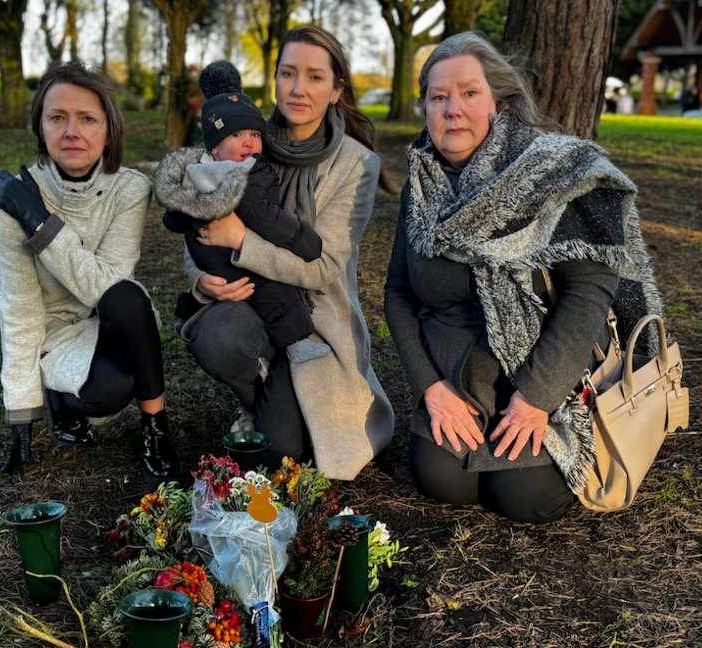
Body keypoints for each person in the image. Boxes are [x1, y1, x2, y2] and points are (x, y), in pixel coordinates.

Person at [384, 32, 662, 523]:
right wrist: (429, 387)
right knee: (441, 479)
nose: (453, 110)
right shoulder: (420, 186)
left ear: (499, 101)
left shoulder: (552, 171)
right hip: (458, 380)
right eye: (438, 97)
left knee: (525, 495)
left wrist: (536, 399)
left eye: (469, 93)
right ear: (425, 109)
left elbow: (589, 291)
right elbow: (399, 294)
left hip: (549, 371)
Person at [178, 25, 394, 479]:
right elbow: (197, 214)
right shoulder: (245, 138)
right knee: (220, 338)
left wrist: (240, 241)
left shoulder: (357, 164)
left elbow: (325, 267)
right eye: (287, 73)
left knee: (281, 452)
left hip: (316, 316)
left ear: (337, 90)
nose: (297, 89)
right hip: (250, 298)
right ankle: (259, 383)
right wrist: (197, 276)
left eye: (315, 77)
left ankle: (283, 397)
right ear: (273, 80)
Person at [0, 61, 181, 485]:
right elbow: (17, 305)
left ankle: (155, 430)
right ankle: (59, 397)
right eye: (57, 118)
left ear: (108, 130)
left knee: (127, 295)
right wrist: (22, 408)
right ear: (41, 127)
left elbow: (105, 284)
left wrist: (39, 222)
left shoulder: (131, 189)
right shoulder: (11, 197)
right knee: (109, 391)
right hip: (55, 335)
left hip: (108, 318)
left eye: (87, 118)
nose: (72, 131)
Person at [157, 61, 330, 364]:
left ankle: (197, 316)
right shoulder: (245, 173)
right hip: (229, 264)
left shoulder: (201, 170)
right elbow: (264, 216)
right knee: (272, 291)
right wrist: (304, 241)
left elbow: (176, 216)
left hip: (225, 258)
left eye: (254, 133)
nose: (248, 141)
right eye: (236, 135)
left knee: (264, 294)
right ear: (213, 147)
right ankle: (293, 341)